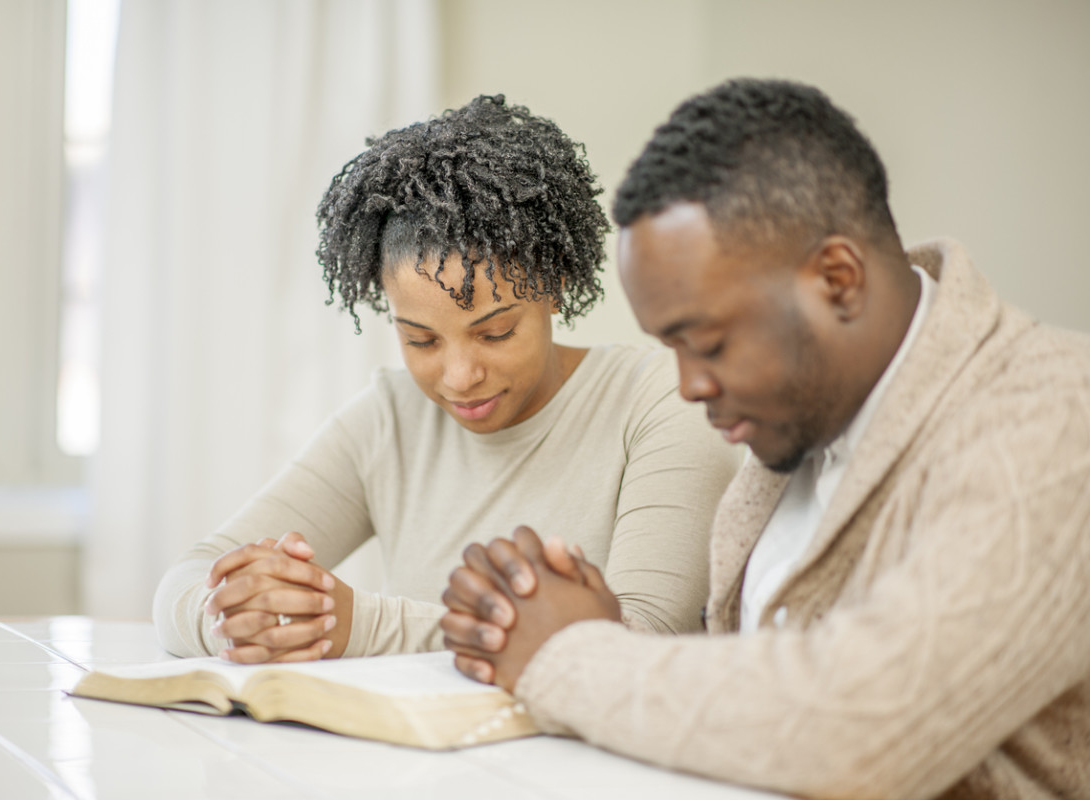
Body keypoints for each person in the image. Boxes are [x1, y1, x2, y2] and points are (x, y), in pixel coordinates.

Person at [441, 79, 1090, 798]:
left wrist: (570, 653)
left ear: (838, 279)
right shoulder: (797, 430)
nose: (688, 385)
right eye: (671, 347)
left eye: (710, 343)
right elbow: (760, 698)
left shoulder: (1058, 419)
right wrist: (591, 628)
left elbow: (859, 729)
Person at [152, 94, 739, 664]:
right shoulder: (391, 418)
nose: (459, 378)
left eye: (495, 332)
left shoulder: (660, 401)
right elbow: (189, 576)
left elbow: (641, 638)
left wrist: (362, 626)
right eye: (421, 340)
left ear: (554, 285)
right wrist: (234, 616)